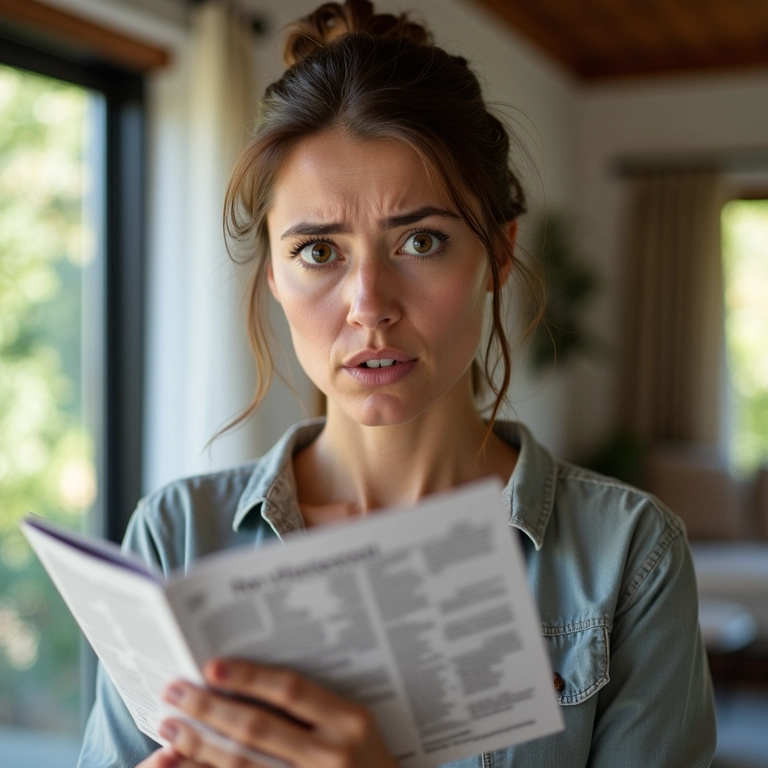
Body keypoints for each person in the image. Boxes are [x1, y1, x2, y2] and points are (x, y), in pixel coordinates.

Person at [77, 1, 717, 766]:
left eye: (421, 240)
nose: (370, 306)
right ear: (274, 275)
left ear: (499, 253)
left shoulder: (627, 557)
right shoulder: (176, 538)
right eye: (319, 251)